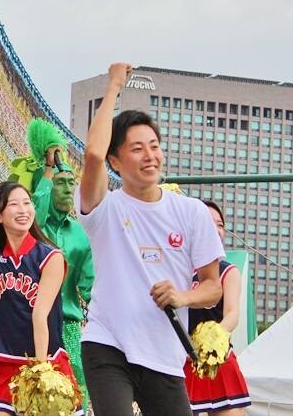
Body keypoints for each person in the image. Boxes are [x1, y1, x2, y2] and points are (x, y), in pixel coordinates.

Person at [78, 63, 224, 416]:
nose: (149, 156)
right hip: (107, 343)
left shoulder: (191, 211)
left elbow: (213, 288)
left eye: (154, 146)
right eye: (137, 149)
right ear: (116, 161)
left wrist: (182, 296)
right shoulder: (104, 208)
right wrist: (114, 85)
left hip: (163, 352)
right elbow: (93, 154)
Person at [0, 173, 83, 416]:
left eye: (27, 203)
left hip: (45, 362)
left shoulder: (50, 257)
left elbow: (40, 315)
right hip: (6, 365)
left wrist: (41, 374)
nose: (23, 209)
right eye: (14, 204)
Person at [32, 146, 94, 394]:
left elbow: (91, 288)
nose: (69, 189)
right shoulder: (32, 226)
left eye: (71, 183)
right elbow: (35, 217)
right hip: (28, 320)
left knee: (76, 388)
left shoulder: (80, 234)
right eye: (61, 183)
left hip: (68, 325)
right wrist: (48, 169)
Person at [184, 201, 250, 415]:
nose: (216, 229)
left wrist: (213, 339)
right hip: (181, 360)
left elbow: (232, 314)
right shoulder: (178, 270)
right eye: (209, 222)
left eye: (220, 225)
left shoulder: (228, 271)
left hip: (218, 359)